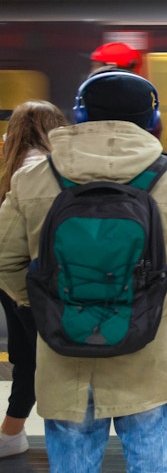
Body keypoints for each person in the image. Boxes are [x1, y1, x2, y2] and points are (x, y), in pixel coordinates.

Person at [0, 71, 167, 472]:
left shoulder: (33, 178)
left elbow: (5, 259)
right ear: (152, 120)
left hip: (63, 347)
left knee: (72, 461)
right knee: (150, 455)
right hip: (147, 351)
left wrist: (48, 300)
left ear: (79, 113)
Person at [0, 101, 66, 458]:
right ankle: (16, 433)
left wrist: (20, 294)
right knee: (51, 358)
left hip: (14, 280)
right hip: (47, 280)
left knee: (25, 356)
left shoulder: (13, 169)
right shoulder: (54, 169)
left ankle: (12, 432)